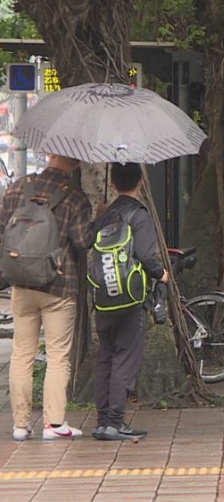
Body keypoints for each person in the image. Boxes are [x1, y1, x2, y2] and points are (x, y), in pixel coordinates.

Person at [0, 154, 93, 441]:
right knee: (57, 356)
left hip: (22, 284)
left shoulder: (17, 188)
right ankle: (53, 424)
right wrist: (98, 217)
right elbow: (82, 241)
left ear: (50, 156)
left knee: (22, 353)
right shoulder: (76, 197)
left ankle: (20, 425)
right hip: (59, 286)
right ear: (77, 164)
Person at [90, 163, 169, 441]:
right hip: (132, 298)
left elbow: (87, 242)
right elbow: (147, 257)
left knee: (106, 357)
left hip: (103, 297)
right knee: (126, 357)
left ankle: (102, 421)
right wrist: (162, 274)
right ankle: (115, 422)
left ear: (112, 184)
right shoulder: (139, 215)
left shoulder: (106, 214)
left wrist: (99, 216)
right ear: (140, 183)